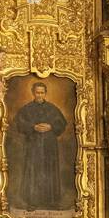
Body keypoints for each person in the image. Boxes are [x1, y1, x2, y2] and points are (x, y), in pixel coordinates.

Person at [7, 80, 67, 210]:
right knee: (33, 172)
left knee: (49, 172)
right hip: (33, 146)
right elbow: (19, 123)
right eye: (37, 92)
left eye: (42, 92)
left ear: (45, 93)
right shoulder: (26, 109)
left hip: (49, 146)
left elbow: (62, 123)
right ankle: (32, 202)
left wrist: (51, 126)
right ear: (33, 93)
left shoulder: (52, 108)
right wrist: (33, 127)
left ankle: (51, 202)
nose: (39, 95)